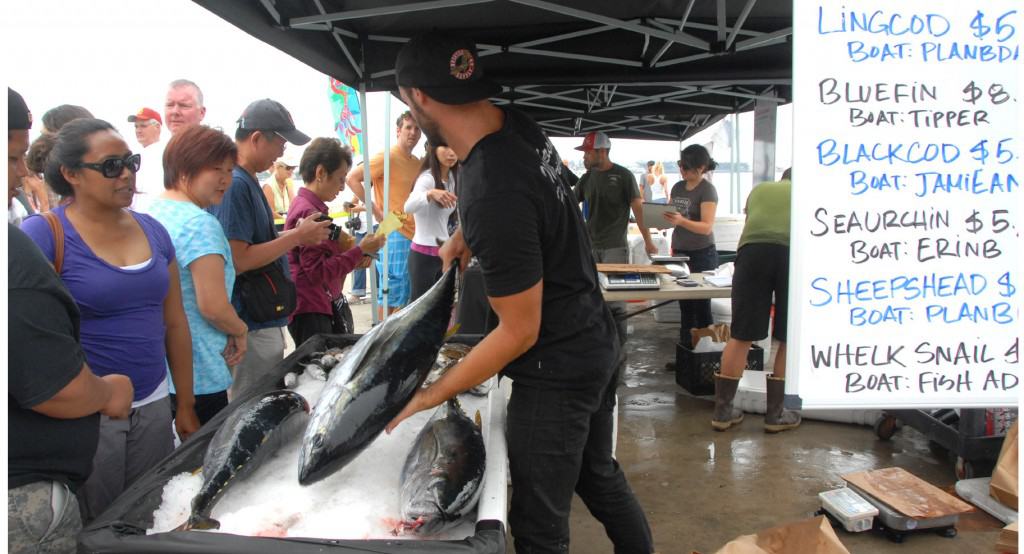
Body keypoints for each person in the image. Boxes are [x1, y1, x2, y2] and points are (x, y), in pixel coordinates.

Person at [386, 32, 654, 554]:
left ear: (417, 97)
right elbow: (535, 204)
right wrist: (465, 236)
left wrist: (430, 394)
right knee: (598, 476)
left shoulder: (490, 186)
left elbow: (519, 329)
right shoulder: (516, 125)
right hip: (595, 334)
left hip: (555, 368)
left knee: (538, 525)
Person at [20, 117, 199, 522]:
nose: (126, 174)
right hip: (86, 414)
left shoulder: (153, 231)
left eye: (131, 162)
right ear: (71, 174)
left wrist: (183, 403)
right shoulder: (44, 235)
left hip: (154, 404)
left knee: (150, 516)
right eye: (110, 166)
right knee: (97, 523)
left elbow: (174, 322)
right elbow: (30, 340)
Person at [209, 98, 331, 400]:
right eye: (281, 143)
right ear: (256, 138)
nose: (282, 152)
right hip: (248, 323)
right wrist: (296, 237)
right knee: (249, 405)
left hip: (260, 319)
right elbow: (237, 259)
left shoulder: (245, 180)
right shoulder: (237, 184)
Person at [149, 125, 248, 425]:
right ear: (183, 169)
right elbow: (212, 306)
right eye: (215, 169)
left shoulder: (153, 211)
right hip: (199, 371)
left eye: (230, 170)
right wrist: (240, 330)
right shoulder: (199, 223)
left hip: (161, 370)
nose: (225, 180)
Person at [713, 169, 800, 433]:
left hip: (752, 253)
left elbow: (751, 220)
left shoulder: (761, 189)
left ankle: (723, 413)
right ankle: (775, 415)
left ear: (782, 178)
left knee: (741, 335)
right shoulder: (807, 192)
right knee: (788, 337)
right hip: (793, 254)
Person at [285, 138, 385, 345]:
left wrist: (354, 256)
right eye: (340, 179)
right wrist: (359, 252)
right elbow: (316, 272)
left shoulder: (305, 205)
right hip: (311, 307)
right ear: (321, 173)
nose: (342, 187)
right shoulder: (310, 213)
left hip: (312, 304)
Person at [573, 131, 657, 343]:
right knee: (591, 297)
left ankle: (618, 348)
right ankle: (597, 344)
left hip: (615, 248)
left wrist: (648, 241)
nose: (584, 157)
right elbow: (570, 206)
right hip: (590, 248)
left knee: (616, 301)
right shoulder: (586, 178)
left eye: (587, 152)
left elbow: (638, 210)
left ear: (602, 152)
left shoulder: (623, 176)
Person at [346, 111, 422, 315]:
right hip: (393, 227)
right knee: (391, 290)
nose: (413, 132)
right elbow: (352, 178)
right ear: (398, 130)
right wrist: (377, 212)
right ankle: (382, 337)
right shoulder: (387, 156)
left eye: (417, 128)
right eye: (408, 127)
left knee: (406, 291)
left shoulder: (416, 162)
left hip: (415, 231)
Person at [665, 144, 719, 349]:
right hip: (680, 252)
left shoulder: (707, 190)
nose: (683, 171)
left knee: (702, 306)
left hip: (702, 253)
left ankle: (705, 352)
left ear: (701, 167)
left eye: (687, 167)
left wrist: (681, 221)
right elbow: (672, 215)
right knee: (685, 305)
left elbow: (706, 227)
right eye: (681, 165)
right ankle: (686, 351)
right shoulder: (678, 187)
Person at [133, 79, 207, 213]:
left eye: (184, 105)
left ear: (202, 112)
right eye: (169, 105)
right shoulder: (145, 158)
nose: (175, 111)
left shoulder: (216, 158)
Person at [404, 142, 458, 302]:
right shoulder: (427, 178)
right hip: (423, 257)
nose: (451, 153)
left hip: (444, 254)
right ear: (433, 149)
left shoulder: (453, 178)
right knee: (421, 312)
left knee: (441, 309)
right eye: (445, 147)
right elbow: (408, 206)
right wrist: (429, 194)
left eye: (455, 146)